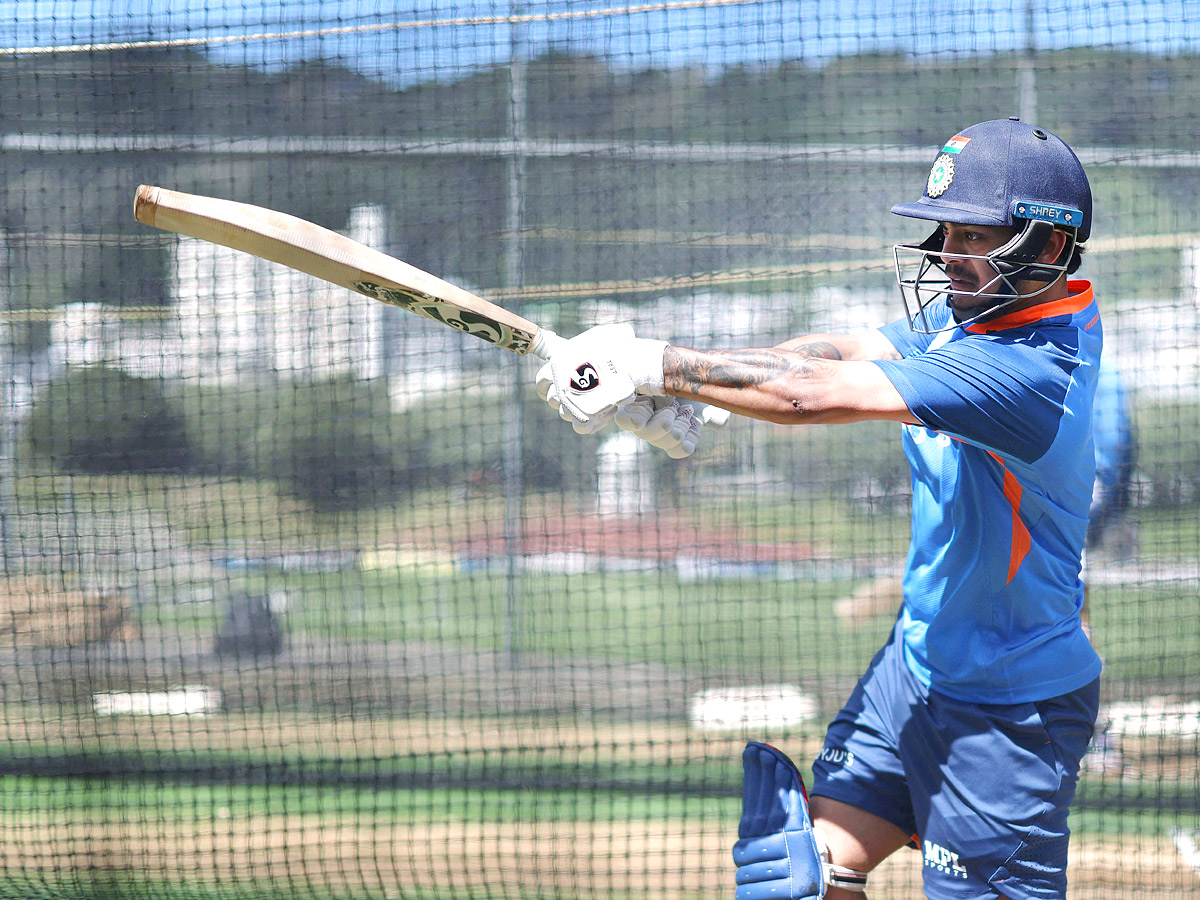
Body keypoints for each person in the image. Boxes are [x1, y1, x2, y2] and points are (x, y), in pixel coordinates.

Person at [536, 117, 1102, 900]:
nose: (945, 252)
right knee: (795, 874)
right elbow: (842, 350)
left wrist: (652, 364)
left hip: (1009, 712)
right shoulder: (977, 312)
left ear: (1045, 245)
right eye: (945, 230)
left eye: (973, 234)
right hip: (918, 665)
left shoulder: (1032, 372)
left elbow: (811, 396)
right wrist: (709, 398)